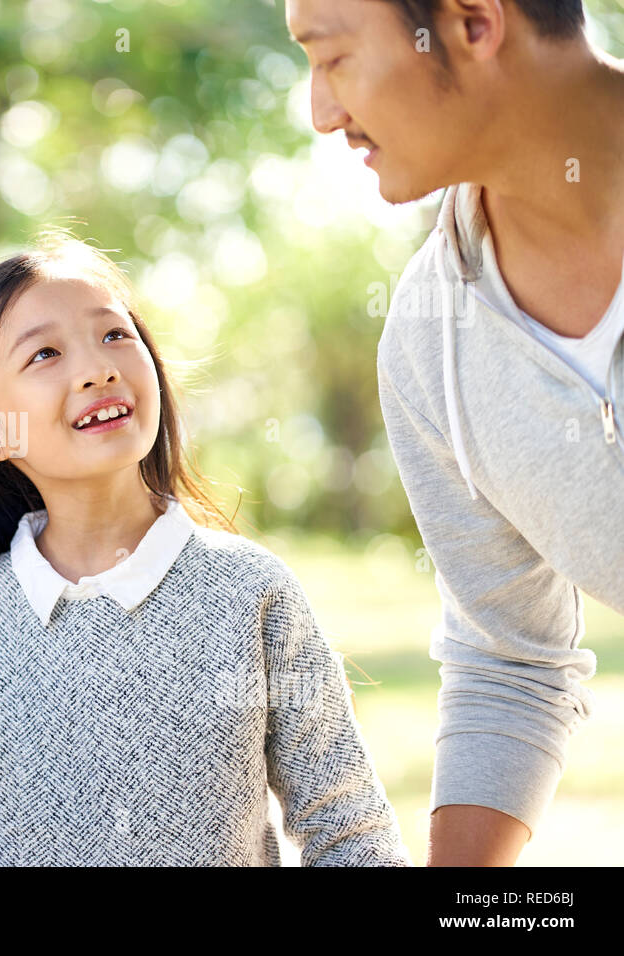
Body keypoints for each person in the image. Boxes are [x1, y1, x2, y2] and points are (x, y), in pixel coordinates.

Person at [0, 233, 412, 865]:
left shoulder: (249, 592)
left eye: (114, 336)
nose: (98, 368)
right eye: (45, 353)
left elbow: (349, 830)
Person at [286, 0, 624, 864]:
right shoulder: (429, 344)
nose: (322, 113)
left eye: (332, 59)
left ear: (473, 23)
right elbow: (508, 666)